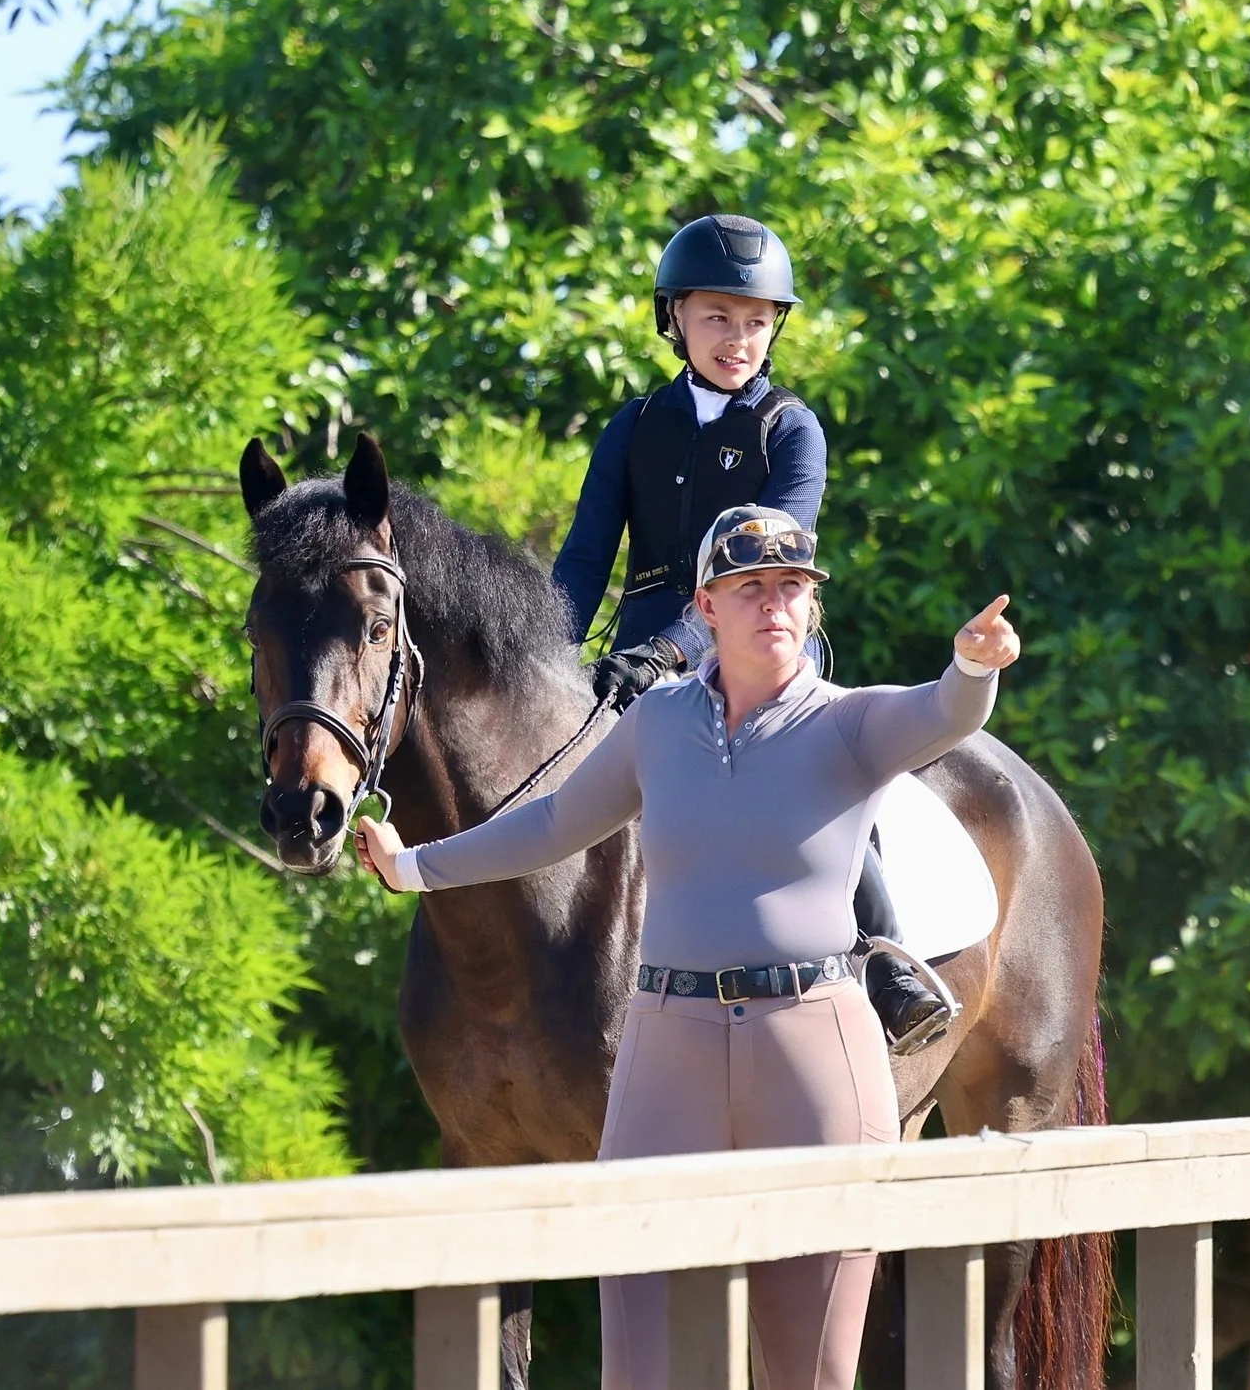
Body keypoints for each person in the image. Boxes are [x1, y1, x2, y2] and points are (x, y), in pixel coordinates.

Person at [356, 504, 1020, 1390]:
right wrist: (419, 868)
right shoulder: (659, 721)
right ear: (706, 606)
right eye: (750, 588)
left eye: (793, 587)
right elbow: (554, 822)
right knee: (638, 1362)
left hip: (811, 1041)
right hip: (666, 1043)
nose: (775, 604)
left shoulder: (850, 723)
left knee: (809, 1368)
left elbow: (942, 712)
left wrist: (973, 666)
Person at [549, 212, 953, 1052]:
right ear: (676, 321)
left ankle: (888, 961)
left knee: (832, 775)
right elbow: (586, 558)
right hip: (633, 665)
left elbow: (764, 563)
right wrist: (545, 655)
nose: (738, 339)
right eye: (717, 319)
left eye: (755, 322)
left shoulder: (791, 428)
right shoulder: (632, 427)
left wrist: (674, 651)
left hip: (765, 652)